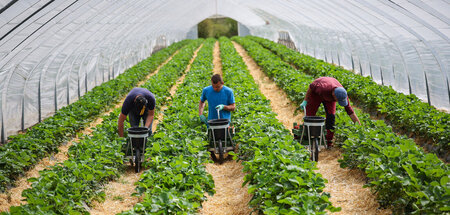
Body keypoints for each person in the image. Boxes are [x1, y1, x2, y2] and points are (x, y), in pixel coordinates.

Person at [300, 77, 360, 147]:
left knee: (331, 117)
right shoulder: (323, 88)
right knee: (309, 116)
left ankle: (328, 141)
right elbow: (311, 87)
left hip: (329, 98)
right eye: (338, 100)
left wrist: (359, 127)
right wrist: (305, 100)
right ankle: (306, 136)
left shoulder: (343, 94)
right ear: (334, 95)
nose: (338, 102)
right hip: (316, 95)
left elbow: (350, 112)